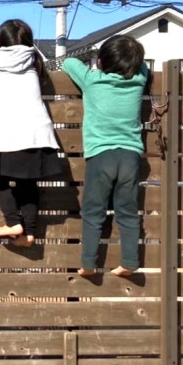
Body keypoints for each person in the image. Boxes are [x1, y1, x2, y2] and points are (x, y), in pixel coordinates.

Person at [63, 35, 149, 277]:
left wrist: (95, 65)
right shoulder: (139, 80)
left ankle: (89, 263)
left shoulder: (92, 80)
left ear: (100, 62)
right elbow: (142, 66)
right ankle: (129, 261)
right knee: (128, 212)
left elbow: (68, 63)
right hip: (130, 155)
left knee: (93, 211)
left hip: (100, 156)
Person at [0, 20, 62, 247]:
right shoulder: (35, 63)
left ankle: (13, 221)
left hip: (7, 134)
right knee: (28, 183)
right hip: (36, 134)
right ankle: (29, 233)